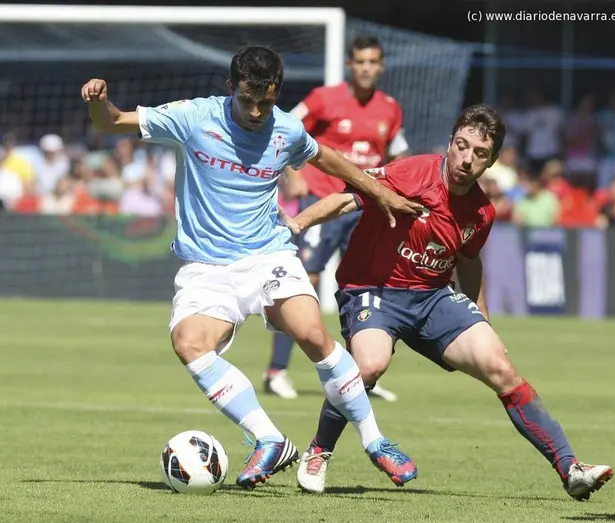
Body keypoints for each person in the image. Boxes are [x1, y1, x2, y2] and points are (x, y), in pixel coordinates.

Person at [80, 45, 423, 490]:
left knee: (312, 333)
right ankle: (269, 438)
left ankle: (375, 440)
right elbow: (112, 121)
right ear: (231, 88)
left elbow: (328, 158)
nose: (258, 111)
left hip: (268, 255)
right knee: (189, 343)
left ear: (277, 92)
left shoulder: (286, 128)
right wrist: (97, 102)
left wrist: (378, 191)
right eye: (248, 100)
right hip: (206, 266)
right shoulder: (193, 117)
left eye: (267, 100)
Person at [281, 104, 614, 500]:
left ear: (490, 163)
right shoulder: (410, 172)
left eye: (479, 154)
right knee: (369, 365)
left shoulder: (482, 212)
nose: (467, 159)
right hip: (373, 290)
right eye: (462, 146)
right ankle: (319, 450)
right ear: (451, 142)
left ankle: (570, 468)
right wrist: (298, 224)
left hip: (433, 297)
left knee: (500, 367)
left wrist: (483, 321)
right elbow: (348, 199)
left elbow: (469, 264)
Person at [265, 36, 409, 402]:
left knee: (367, 287)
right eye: (360, 61)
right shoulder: (323, 99)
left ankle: (358, 376)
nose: (366, 67)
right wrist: (292, 172)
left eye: (373, 61)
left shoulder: (390, 109)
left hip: (363, 208)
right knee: (302, 283)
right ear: (350, 64)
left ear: (381, 66)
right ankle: (277, 371)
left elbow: (397, 155)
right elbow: (281, 126)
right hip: (322, 205)